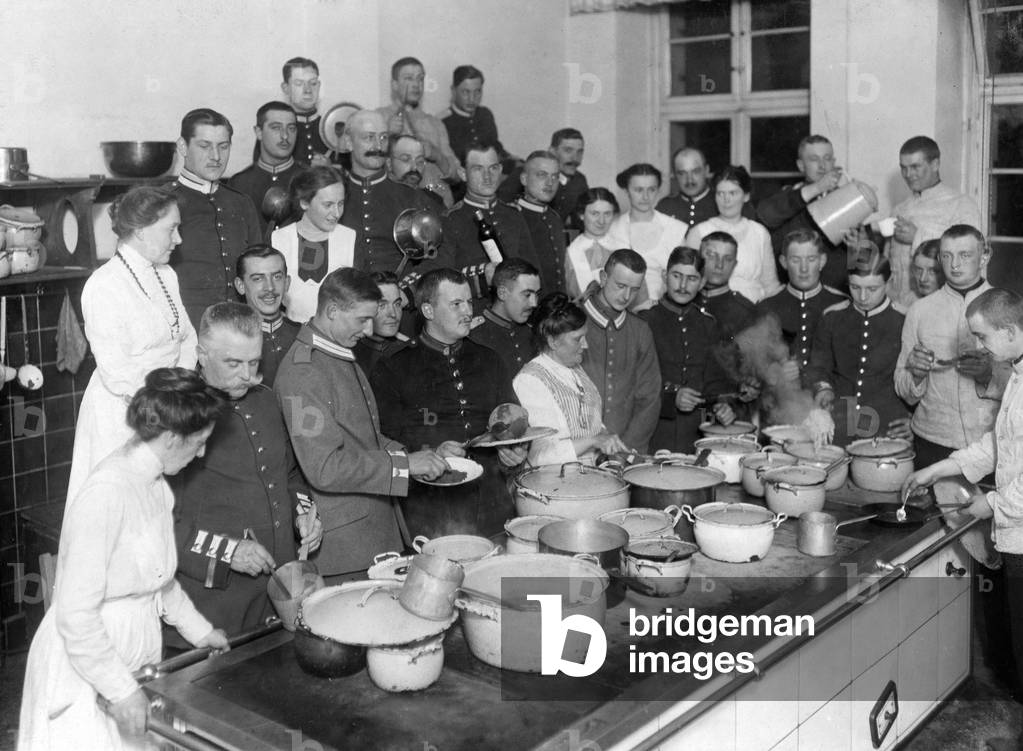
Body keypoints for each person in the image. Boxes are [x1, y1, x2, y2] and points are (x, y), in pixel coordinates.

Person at [19, 368, 230, 751]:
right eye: (199, 442)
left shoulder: (157, 487)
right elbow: (75, 615)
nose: (201, 453)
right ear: (170, 438)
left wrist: (201, 632)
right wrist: (120, 689)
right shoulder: (107, 493)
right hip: (86, 662)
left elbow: (161, 581)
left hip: (133, 650)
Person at [901, 287, 1023, 751]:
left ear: (1010, 331)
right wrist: (940, 467)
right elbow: (1000, 445)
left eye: (983, 336)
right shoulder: (1014, 372)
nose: (978, 347)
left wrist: (987, 505)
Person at [274, 268, 449, 578]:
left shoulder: (336, 353)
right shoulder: (305, 372)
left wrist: (427, 458)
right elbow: (326, 468)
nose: (370, 330)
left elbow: (363, 437)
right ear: (331, 311)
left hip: (375, 533)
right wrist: (406, 465)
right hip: (347, 550)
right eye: (362, 320)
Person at [168, 303, 322, 645]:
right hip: (212, 610)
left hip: (278, 596)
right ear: (202, 355)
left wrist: (303, 516)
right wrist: (226, 552)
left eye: (254, 362)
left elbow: (290, 475)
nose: (247, 375)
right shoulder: (176, 413)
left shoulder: (266, 401)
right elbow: (156, 522)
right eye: (233, 363)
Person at [372, 269, 526, 539]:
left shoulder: (490, 360)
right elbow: (383, 442)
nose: (468, 311)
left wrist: (514, 452)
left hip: (494, 509)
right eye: (456, 304)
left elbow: (515, 421)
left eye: (469, 302)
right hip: (430, 514)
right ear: (428, 311)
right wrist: (431, 451)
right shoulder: (393, 368)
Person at [67, 186, 198, 505]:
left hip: (168, 406)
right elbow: (118, 372)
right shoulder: (104, 286)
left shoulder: (166, 275)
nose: (178, 239)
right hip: (124, 414)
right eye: (171, 229)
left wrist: (181, 396)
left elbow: (186, 338)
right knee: (123, 509)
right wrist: (168, 410)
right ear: (140, 231)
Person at [894, 224, 1005, 468]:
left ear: (985, 256)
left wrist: (989, 375)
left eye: (965, 255)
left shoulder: (1007, 309)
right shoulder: (920, 310)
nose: (954, 265)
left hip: (990, 442)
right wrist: (916, 373)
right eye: (946, 256)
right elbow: (904, 390)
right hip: (932, 442)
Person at [169, 108, 263, 327]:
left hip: (241, 327)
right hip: (187, 331)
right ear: (183, 146)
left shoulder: (241, 203)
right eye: (204, 146)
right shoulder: (163, 203)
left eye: (223, 146)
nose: (216, 156)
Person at [806, 254, 911, 446]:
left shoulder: (906, 320)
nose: (863, 297)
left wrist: (915, 420)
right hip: (840, 423)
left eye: (872, 288)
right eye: (855, 287)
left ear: (889, 282)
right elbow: (819, 367)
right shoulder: (832, 317)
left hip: (888, 426)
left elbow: (917, 379)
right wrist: (823, 390)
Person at [513, 293, 628, 466]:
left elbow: (590, 424)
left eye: (585, 336)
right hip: (553, 485)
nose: (585, 345)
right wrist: (593, 441)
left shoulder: (575, 369)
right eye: (577, 339)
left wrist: (608, 441)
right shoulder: (530, 380)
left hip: (586, 478)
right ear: (552, 341)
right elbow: (540, 456)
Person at [640, 247, 735, 453]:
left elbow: (715, 385)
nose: (683, 286)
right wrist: (671, 396)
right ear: (665, 276)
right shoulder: (646, 321)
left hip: (696, 435)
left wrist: (722, 406)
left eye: (692, 279)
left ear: (701, 283)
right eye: (677, 276)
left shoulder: (708, 325)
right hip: (654, 433)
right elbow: (634, 382)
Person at [579, 249, 662, 453]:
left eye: (634, 289)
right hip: (578, 449)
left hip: (624, 452)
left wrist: (625, 449)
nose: (626, 296)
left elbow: (649, 398)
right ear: (603, 278)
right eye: (621, 286)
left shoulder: (640, 330)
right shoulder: (572, 321)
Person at [887, 136, 982, 309]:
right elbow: (888, 264)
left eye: (915, 167)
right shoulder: (899, 210)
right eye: (903, 168)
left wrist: (918, 236)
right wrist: (862, 245)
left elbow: (971, 257)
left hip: (939, 310)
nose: (908, 175)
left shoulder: (961, 204)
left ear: (935, 164)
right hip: (897, 308)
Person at [439, 141, 538, 306]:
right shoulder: (450, 220)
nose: (487, 176)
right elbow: (443, 281)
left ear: (500, 170)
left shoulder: (513, 215)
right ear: (463, 174)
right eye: (478, 169)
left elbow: (533, 269)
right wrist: (482, 278)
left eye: (493, 168)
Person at [339, 109, 434, 275]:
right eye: (369, 137)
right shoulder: (333, 195)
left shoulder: (412, 198)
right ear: (348, 142)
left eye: (383, 137)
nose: (378, 146)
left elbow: (433, 256)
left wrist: (408, 290)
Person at [756, 135, 852, 291]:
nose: (822, 166)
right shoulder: (790, 195)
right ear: (801, 165)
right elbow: (765, 214)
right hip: (793, 294)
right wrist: (817, 188)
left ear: (834, 163)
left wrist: (860, 245)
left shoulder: (848, 201)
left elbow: (863, 262)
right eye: (814, 159)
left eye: (827, 159)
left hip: (837, 293)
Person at [271, 165, 355, 323]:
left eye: (341, 204)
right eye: (328, 205)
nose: (336, 213)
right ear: (304, 202)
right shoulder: (278, 240)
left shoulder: (351, 239)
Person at [685, 165, 780, 304]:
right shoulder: (699, 232)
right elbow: (689, 280)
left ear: (746, 196)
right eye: (720, 193)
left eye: (733, 193)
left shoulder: (759, 232)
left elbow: (770, 285)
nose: (726, 200)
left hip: (754, 310)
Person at [756, 229, 846, 369]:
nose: (804, 269)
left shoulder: (841, 304)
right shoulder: (767, 307)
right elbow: (757, 362)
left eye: (811, 259)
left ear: (822, 261)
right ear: (784, 262)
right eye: (795, 260)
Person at [605, 163, 687, 311]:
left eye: (651, 189)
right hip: (621, 310)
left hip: (667, 310)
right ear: (626, 191)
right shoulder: (613, 229)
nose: (645, 196)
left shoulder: (674, 229)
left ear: (658, 190)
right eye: (638, 190)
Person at [378, 56, 460, 182]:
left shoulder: (435, 124)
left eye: (420, 79)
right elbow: (365, 166)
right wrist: (387, 136)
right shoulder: (379, 118)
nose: (416, 84)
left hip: (436, 198)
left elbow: (457, 175)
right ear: (394, 84)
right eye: (409, 78)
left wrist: (437, 155)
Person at [226, 101, 303, 233]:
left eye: (291, 128)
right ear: (259, 132)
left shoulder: (310, 180)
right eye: (276, 127)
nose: (285, 136)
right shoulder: (239, 184)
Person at [232, 244, 300, 387]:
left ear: (287, 283)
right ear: (240, 285)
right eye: (258, 279)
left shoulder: (303, 335)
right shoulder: (230, 339)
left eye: (277, 277)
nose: (269, 287)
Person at [500, 128, 589, 228]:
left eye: (579, 152)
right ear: (552, 151)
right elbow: (499, 207)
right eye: (568, 151)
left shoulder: (579, 182)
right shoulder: (525, 173)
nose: (575, 158)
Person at [468, 257, 540, 377]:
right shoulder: (475, 337)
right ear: (502, 293)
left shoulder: (532, 330)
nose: (534, 303)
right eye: (527, 295)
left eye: (537, 294)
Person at [656, 147, 754, 229]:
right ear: (674, 175)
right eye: (682, 173)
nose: (689, 180)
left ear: (706, 170)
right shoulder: (665, 207)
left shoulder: (724, 203)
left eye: (695, 171)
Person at [439, 65, 514, 169]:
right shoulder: (442, 121)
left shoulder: (485, 114)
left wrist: (516, 161)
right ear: (453, 91)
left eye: (477, 92)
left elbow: (496, 148)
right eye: (466, 92)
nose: (472, 99)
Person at [516, 150, 567, 292]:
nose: (550, 183)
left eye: (555, 177)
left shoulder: (554, 218)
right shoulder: (512, 217)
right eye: (542, 175)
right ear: (524, 179)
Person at [279, 56, 341, 167]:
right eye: (299, 84)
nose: (307, 90)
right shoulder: (274, 131)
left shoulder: (335, 129)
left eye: (313, 83)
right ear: (286, 88)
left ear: (319, 86)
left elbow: (351, 176)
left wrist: (330, 169)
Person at [697, 231, 756, 343]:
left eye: (728, 259)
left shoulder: (745, 312)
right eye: (712, 256)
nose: (719, 265)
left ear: (734, 265)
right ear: (699, 258)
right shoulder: (683, 300)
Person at [565, 188, 620, 299]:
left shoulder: (622, 246)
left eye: (607, 214)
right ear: (581, 214)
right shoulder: (572, 252)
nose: (601, 221)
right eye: (595, 213)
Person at [353, 270, 409, 374]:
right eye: (382, 305)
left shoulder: (408, 352)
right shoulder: (348, 352)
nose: (393, 314)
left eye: (397, 304)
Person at [386, 133, 453, 208]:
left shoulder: (434, 200)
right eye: (406, 159)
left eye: (420, 161)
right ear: (389, 164)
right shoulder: (380, 198)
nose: (414, 167)